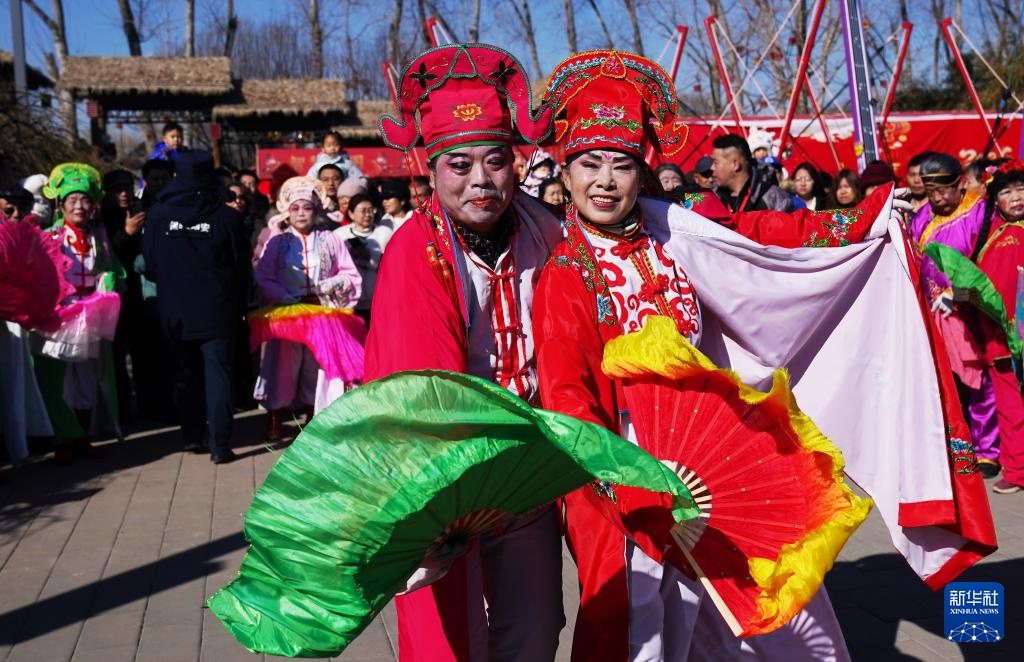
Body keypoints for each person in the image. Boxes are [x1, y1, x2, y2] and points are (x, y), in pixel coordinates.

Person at [534, 48, 996, 660]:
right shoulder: (564, 273)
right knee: (644, 630)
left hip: (716, 459)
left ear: (639, 171)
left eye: (620, 165)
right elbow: (569, 399)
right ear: (564, 174)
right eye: (588, 164)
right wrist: (637, 486)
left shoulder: (675, 231)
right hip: (625, 476)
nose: (604, 181)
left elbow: (761, 237)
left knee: (772, 611)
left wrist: (860, 220)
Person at [369, 43, 564, 662]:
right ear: (430, 170)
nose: (481, 180)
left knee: (534, 628)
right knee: (450, 637)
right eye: (460, 164)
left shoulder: (547, 231)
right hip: (445, 474)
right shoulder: (414, 251)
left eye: (496, 160)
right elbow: (418, 387)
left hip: (529, 468)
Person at [142, 151, 250, 464]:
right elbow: (241, 266)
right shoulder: (227, 218)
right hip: (218, 308)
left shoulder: (159, 216)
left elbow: (149, 262)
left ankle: (192, 437)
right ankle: (219, 445)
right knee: (218, 375)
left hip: (174, 308)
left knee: (185, 374)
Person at [909, 151, 1000, 477]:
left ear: (959, 184)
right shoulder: (922, 218)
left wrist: (960, 295)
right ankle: (955, 446)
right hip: (933, 312)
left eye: (943, 191)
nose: (936, 198)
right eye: (930, 192)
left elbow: (990, 269)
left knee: (979, 379)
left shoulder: (980, 212)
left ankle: (989, 448)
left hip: (971, 309)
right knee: (943, 383)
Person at [253, 177, 361, 437]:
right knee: (282, 366)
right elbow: (263, 275)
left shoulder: (330, 239)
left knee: (319, 366)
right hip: (289, 313)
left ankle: (316, 416)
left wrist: (331, 284)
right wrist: (282, 295)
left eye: (307, 207)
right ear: (286, 212)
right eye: (295, 208)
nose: (301, 213)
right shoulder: (277, 242)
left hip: (322, 312)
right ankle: (275, 416)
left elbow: (350, 274)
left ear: (316, 210)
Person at [34, 163, 125, 463]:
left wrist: (109, 281)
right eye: (73, 200)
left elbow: (113, 271)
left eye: (85, 200)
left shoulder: (99, 238)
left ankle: (82, 437)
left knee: (86, 380)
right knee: (57, 381)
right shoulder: (49, 235)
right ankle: (64, 439)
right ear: (60, 204)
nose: (79, 206)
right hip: (58, 316)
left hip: (91, 314)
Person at [973, 160, 1024, 493]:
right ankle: (1017, 470)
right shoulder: (986, 234)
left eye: (1021, 188)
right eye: (1007, 191)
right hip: (1001, 337)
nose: (1017, 197)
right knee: (1010, 406)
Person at [334, 193, 390, 325]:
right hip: (349, 301)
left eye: (371, 210)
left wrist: (371, 256)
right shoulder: (339, 235)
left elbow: (393, 264)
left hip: (379, 299)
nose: (368, 214)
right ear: (351, 213)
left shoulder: (385, 232)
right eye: (363, 211)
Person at [711, 134, 793, 213]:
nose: (712, 168)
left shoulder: (775, 199)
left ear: (735, 165)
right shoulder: (712, 192)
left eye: (716, 163)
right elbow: (698, 202)